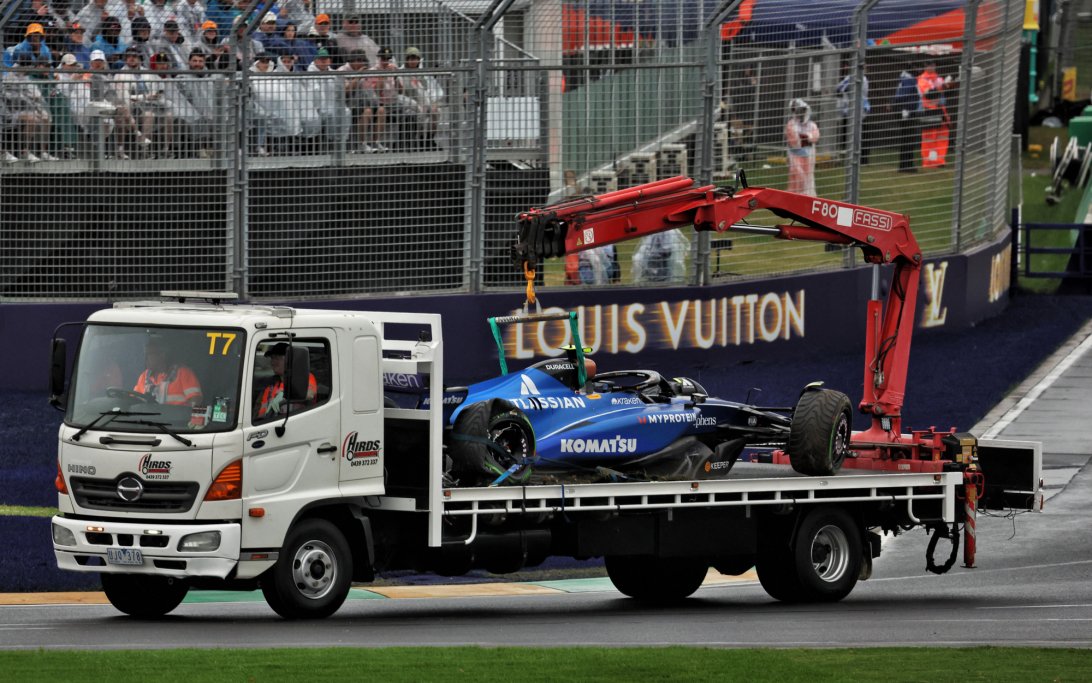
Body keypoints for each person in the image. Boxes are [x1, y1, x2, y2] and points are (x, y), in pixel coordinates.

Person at [3, 53, 57, 162]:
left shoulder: (26, 76)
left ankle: (43, 152)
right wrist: (26, 98)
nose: (30, 68)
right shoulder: (9, 76)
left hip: (27, 108)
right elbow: (7, 96)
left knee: (46, 117)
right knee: (31, 118)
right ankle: (25, 151)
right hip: (12, 111)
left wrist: (37, 103)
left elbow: (36, 95)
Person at [133, 335, 203, 406]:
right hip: (149, 417)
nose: (145, 358)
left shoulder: (183, 372)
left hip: (177, 417)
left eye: (149, 354)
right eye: (145, 354)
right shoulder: (144, 376)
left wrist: (178, 415)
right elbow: (135, 400)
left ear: (162, 355)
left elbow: (196, 400)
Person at [255, 342, 316, 420]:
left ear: (289, 360)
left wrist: (285, 395)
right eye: (272, 358)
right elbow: (261, 409)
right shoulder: (271, 383)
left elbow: (310, 394)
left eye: (277, 358)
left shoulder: (305, 377)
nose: (273, 362)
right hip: (266, 424)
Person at [338, 51, 384, 153]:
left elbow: (375, 91)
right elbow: (346, 91)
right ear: (352, 61)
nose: (362, 63)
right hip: (347, 105)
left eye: (363, 61)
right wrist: (358, 76)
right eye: (359, 61)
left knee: (381, 110)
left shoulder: (365, 71)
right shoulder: (342, 70)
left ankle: (375, 142)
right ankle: (361, 144)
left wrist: (381, 77)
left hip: (364, 102)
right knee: (367, 111)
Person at [397, 46, 442, 149]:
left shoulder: (424, 73)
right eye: (410, 58)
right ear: (406, 60)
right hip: (408, 102)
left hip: (425, 101)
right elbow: (401, 92)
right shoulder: (400, 72)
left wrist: (433, 102)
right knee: (419, 110)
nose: (413, 61)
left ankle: (430, 139)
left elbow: (433, 89)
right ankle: (420, 139)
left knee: (436, 112)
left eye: (415, 58)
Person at [917, 60, 951, 168]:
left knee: (942, 136)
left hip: (941, 110)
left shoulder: (937, 78)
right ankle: (929, 161)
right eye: (929, 65)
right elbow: (928, 94)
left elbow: (943, 93)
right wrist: (940, 87)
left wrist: (946, 86)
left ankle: (940, 160)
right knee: (929, 137)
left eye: (933, 65)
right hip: (929, 110)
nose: (931, 67)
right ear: (925, 67)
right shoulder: (922, 79)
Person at [785, 97, 819, 196]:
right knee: (797, 174)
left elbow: (815, 136)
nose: (801, 113)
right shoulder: (791, 124)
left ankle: (808, 195)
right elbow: (793, 141)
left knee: (808, 176)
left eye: (803, 111)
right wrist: (805, 137)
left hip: (808, 154)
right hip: (795, 154)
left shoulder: (811, 125)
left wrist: (807, 137)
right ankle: (794, 194)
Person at [836, 68, 869, 165]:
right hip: (861, 110)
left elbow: (839, 88)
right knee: (859, 135)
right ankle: (861, 159)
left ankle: (852, 158)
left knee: (851, 135)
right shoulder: (864, 79)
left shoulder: (851, 78)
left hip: (852, 111)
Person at [894, 68, 922, 173]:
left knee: (907, 139)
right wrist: (905, 108)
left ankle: (906, 164)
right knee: (908, 139)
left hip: (905, 110)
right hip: (907, 111)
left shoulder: (905, 78)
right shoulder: (909, 80)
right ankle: (906, 165)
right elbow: (902, 96)